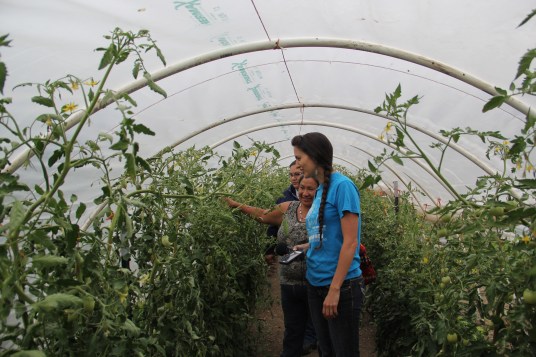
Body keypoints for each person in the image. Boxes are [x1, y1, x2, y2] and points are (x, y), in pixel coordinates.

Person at [225, 175, 319, 357]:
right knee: (292, 330)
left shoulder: (324, 212)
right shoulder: (288, 208)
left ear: (320, 190)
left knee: (319, 334)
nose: (305, 193)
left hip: (316, 283)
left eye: (311, 189)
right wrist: (236, 205)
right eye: (302, 188)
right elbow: (262, 215)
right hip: (288, 282)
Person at [291, 132, 364, 357]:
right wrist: (305, 247)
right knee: (326, 350)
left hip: (340, 286)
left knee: (343, 351)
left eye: (300, 158)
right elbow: (326, 234)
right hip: (316, 283)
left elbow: (350, 242)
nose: (298, 164)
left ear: (314, 156)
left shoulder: (343, 187)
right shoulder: (321, 188)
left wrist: (334, 290)